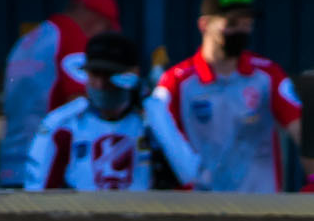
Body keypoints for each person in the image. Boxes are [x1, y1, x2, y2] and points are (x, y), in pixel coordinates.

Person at [154, 0, 303, 193]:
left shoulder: (268, 76)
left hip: (261, 209)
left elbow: (301, 128)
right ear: (204, 25)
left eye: (247, 24)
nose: (241, 31)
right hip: (199, 210)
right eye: (232, 23)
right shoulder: (177, 81)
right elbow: (158, 140)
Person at [21, 31, 200, 191]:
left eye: (108, 76)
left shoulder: (151, 120)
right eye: (94, 75)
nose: (100, 85)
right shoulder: (63, 123)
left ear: (132, 75)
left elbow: (188, 173)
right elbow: (37, 192)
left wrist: (153, 110)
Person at [1, 0, 120, 188]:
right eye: (106, 28)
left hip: (11, 166)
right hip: (46, 168)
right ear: (95, 19)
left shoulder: (29, 39)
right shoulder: (71, 36)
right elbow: (80, 99)